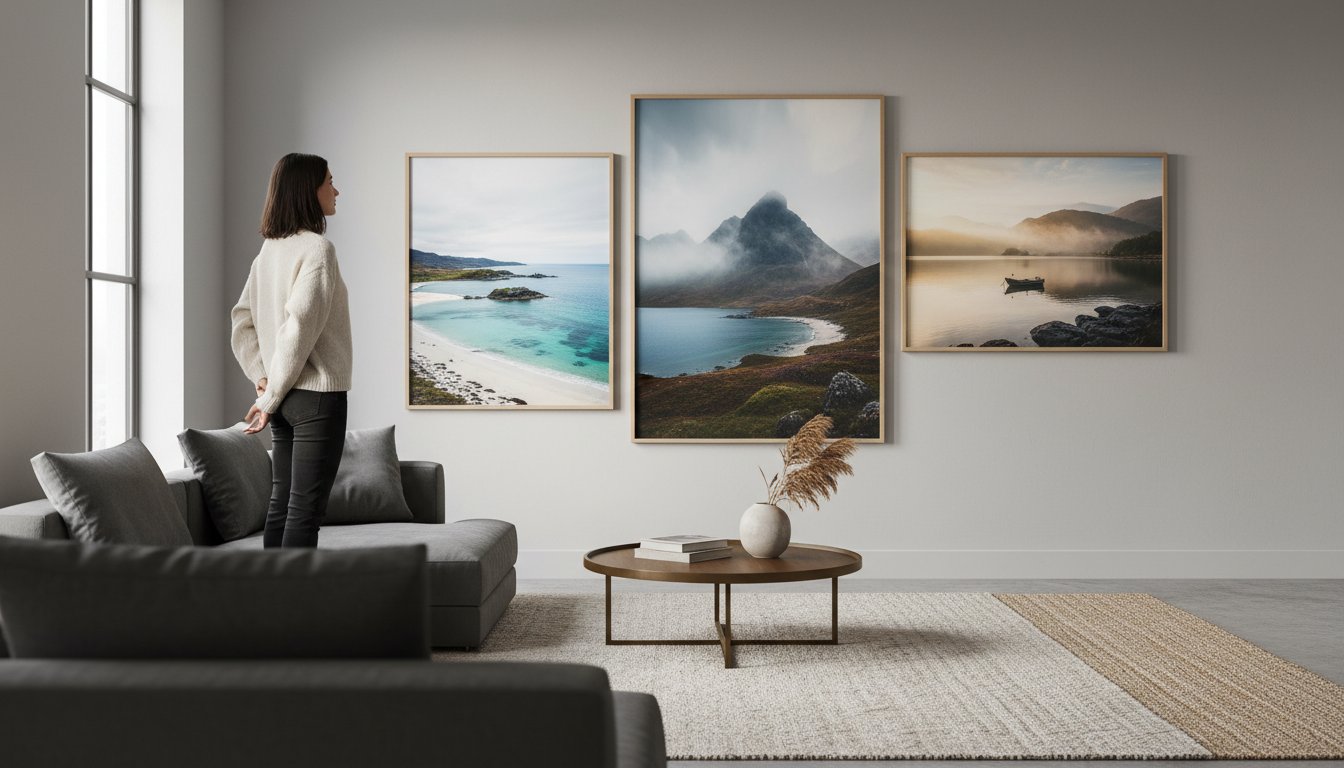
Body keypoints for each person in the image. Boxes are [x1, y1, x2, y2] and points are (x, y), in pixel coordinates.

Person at [230, 153, 351, 548]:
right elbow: (298, 328)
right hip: (316, 397)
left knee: (281, 504)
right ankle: (297, 608)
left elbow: (242, 319)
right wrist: (269, 396)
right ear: (308, 190)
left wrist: (264, 381)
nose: (336, 190)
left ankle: (272, 603)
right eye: (329, 181)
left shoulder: (268, 252)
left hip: (282, 398)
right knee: (305, 511)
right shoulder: (318, 249)